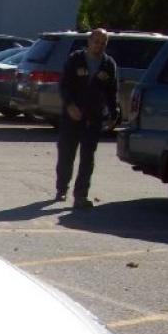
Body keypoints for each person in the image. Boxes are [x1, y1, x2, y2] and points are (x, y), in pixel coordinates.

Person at [55, 28, 119, 209]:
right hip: (72, 116)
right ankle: (62, 187)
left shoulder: (108, 64)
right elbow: (64, 85)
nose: (98, 45)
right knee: (66, 154)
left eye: (103, 42)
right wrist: (69, 105)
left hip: (93, 118)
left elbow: (112, 92)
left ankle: (81, 196)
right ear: (89, 41)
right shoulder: (76, 59)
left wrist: (114, 114)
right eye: (96, 41)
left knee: (87, 158)